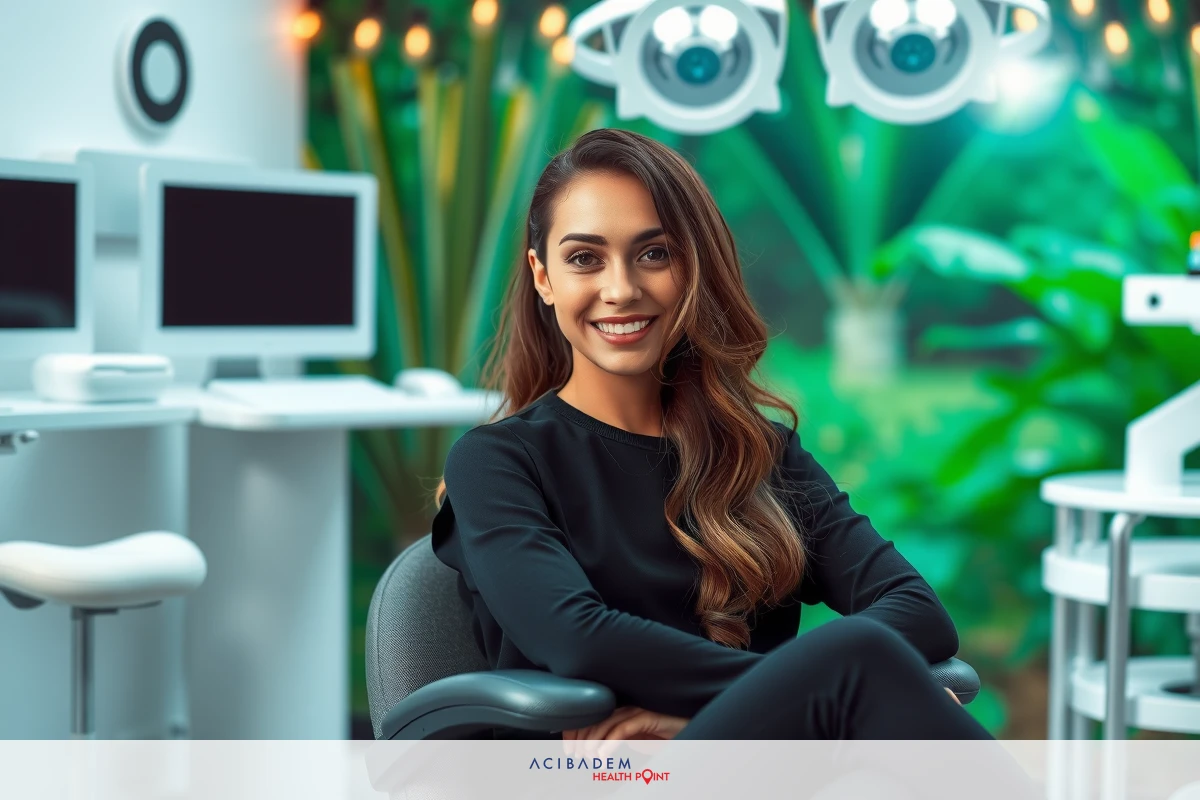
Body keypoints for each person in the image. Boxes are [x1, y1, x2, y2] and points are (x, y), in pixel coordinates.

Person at [430, 128, 991, 743]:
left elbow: (918, 612)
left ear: (692, 267)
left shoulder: (764, 454)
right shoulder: (497, 462)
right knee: (859, 662)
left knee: (863, 678)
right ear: (544, 277)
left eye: (654, 254)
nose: (621, 289)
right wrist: (808, 696)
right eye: (584, 258)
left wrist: (756, 711)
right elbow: (576, 638)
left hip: (757, 768)